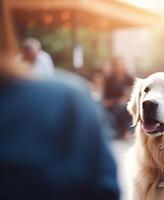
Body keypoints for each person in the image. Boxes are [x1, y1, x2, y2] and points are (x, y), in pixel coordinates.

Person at [0, 10, 119, 199]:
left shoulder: (47, 68)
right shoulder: (67, 101)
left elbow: (40, 76)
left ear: (36, 51)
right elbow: (104, 191)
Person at [102, 57, 133, 139]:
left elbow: (131, 95)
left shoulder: (129, 78)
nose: (120, 67)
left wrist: (124, 99)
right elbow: (105, 98)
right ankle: (120, 131)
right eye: (118, 65)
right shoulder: (109, 79)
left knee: (124, 107)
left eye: (122, 64)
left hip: (126, 104)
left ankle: (125, 131)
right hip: (112, 105)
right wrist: (113, 101)